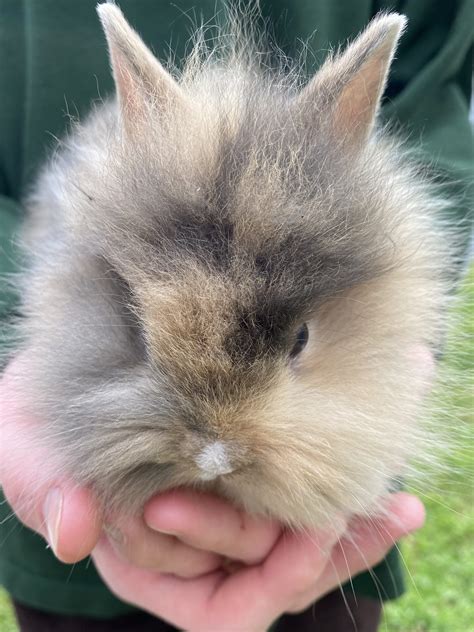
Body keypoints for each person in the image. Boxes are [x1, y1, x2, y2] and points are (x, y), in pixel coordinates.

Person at [0, 1, 472, 631]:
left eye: (296, 341)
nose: (216, 450)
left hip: (322, 555)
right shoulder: (88, 242)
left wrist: (406, 360)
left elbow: (434, 91)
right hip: (77, 544)